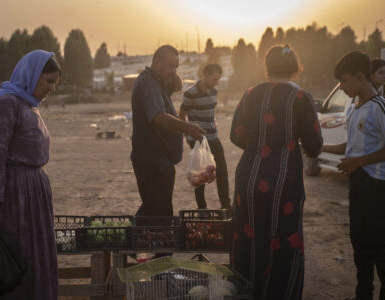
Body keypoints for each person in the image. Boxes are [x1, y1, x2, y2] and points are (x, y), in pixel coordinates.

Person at [230, 45, 322, 299]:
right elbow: (314, 146)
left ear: (267, 66)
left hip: (248, 179)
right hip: (285, 181)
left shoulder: (250, 94)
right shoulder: (301, 98)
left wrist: (259, 146)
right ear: (294, 67)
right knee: (284, 238)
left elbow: (235, 136)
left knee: (247, 238)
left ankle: (245, 292)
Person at [0, 50, 61, 300]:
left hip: (33, 194)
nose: (51, 89)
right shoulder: (6, 103)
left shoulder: (28, 105)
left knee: (34, 258)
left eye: (54, 83)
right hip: (12, 196)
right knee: (16, 255)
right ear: (31, 74)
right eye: (48, 81)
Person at [322, 51, 385, 300]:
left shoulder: (379, 107)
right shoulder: (354, 108)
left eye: (344, 81)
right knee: (360, 246)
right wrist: (320, 148)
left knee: (380, 249)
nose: (342, 87)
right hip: (358, 187)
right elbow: (351, 146)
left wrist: (358, 162)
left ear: (360, 77)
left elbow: (362, 155)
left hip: (377, 187)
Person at [130, 45, 205, 222]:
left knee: (155, 210)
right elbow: (159, 117)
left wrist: (170, 71)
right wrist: (188, 127)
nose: (174, 71)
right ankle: (129, 246)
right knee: (158, 211)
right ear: (157, 62)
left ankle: (131, 247)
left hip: (159, 159)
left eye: (176, 67)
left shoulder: (157, 81)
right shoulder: (149, 84)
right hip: (152, 160)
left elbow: (178, 85)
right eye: (171, 66)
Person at [179, 64, 231, 209]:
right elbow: (181, 116)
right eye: (214, 79)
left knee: (221, 170)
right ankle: (202, 207)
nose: (216, 82)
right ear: (206, 75)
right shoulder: (191, 93)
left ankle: (226, 205)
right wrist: (188, 136)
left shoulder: (214, 90)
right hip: (197, 139)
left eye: (218, 79)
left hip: (213, 136)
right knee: (201, 173)